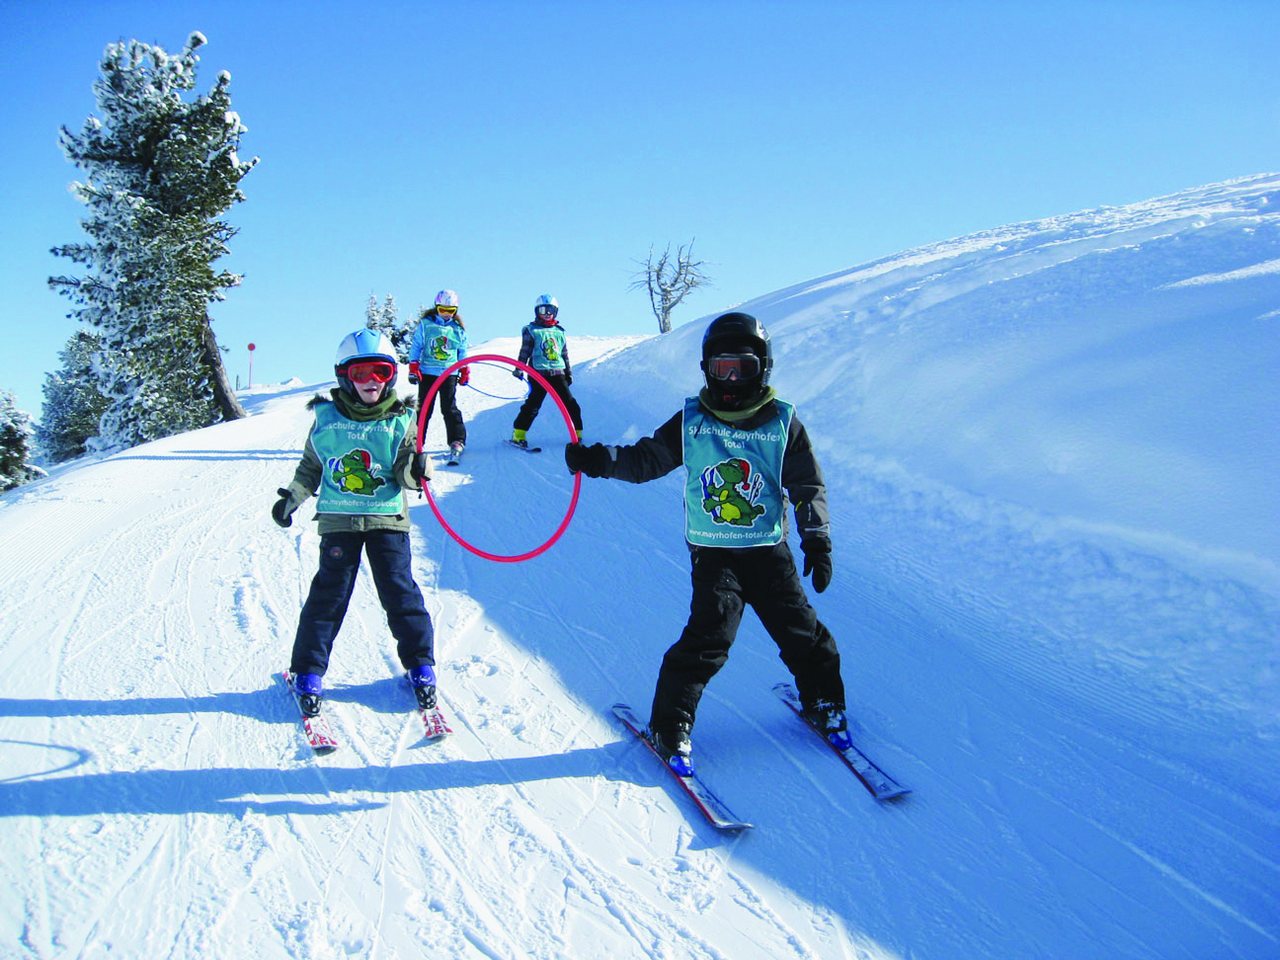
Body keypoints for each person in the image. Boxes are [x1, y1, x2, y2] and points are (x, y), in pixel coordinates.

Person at [563, 311, 845, 775]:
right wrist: (599, 460)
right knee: (709, 637)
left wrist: (817, 540)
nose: (732, 379)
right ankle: (670, 725)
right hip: (715, 556)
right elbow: (645, 461)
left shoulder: (782, 422)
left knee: (800, 630)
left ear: (763, 367)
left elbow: (807, 485)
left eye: (743, 367)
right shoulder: (692, 420)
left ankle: (825, 702)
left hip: (769, 552)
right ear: (706, 369)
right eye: (722, 368)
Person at [272, 329, 437, 717]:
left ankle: (421, 666)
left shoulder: (402, 419)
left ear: (391, 375)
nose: (371, 383)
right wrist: (292, 498)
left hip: (387, 519)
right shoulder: (326, 418)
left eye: (380, 372)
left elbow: (406, 475)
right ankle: (309, 672)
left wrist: (419, 469)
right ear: (344, 376)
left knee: (400, 592)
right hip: (338, 521)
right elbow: (313, 466)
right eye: (361, 373)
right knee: (329, 595)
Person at [510, 294, 584, 447]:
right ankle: (518, 434)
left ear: (555, 311)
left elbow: (564, 355)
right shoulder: (532, 330)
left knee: (570, 403)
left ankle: (577, 435)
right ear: (537, 311)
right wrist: (519, 368)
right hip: (538, 374)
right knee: (533, 406)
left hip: (558, 373)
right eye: (543, 310)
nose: (547, 313)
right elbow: (525, 351)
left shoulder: (559, 331)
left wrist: (568, 373)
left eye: (550, 310)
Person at [408, 289, 470, 460]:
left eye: (450, 311)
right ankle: (415, 441)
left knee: (449, 407)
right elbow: (416, 346)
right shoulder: (427, 325)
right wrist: (413, 366)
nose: (446, 314)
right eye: (443, 310)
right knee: (424, 408)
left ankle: (457, 440)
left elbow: (462, 350)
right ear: (436, 307)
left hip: (449, 373)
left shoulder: (457, 328)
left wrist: (464, 369)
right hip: (428, 372)